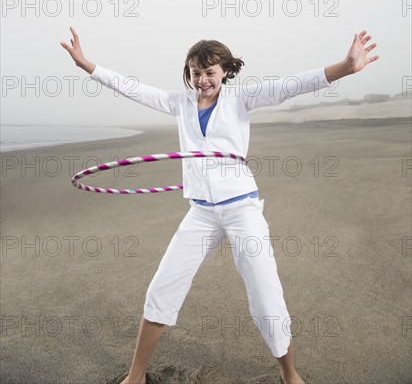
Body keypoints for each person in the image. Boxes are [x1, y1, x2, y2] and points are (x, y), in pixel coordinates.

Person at [61, 27, 378, 384]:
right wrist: (87, 65)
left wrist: (346, 67)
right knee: (162, 288)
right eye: (196, 73)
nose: (202, 80)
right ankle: (135, 377)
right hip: (200, 212)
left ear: (225, 71)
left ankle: (290, 375)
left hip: (242, 209)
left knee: (265, 294)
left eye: (210, 72)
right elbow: (133, 88)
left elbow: (291, 85)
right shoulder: (178, 103)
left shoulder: (241, 98)